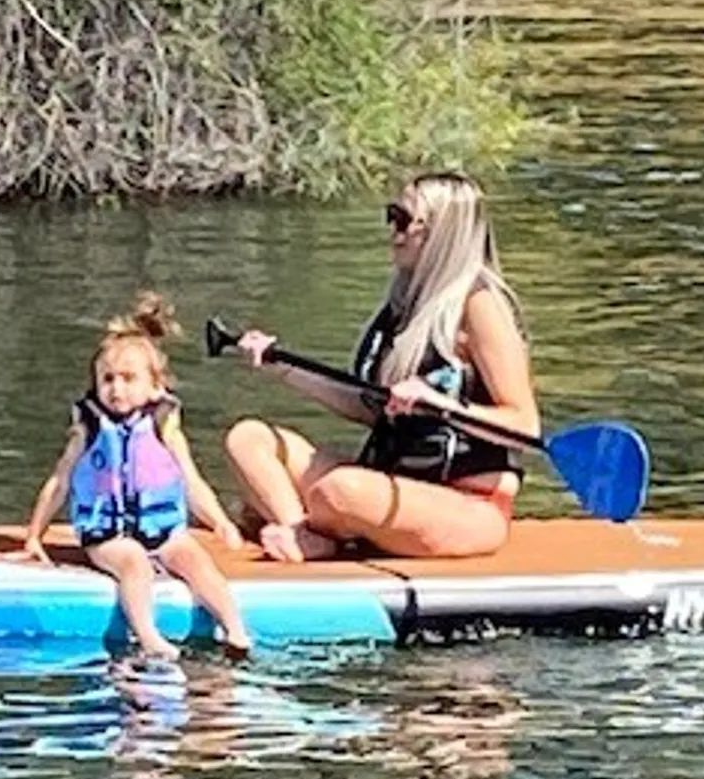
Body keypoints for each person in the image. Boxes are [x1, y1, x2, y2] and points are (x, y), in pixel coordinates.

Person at [224, 171, 539, 562]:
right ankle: (307, 533)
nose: (394, 231)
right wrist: (283, 368)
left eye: (404, 220)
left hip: (468, 503)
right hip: (390, 485)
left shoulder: (480, 305)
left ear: (441, 232)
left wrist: (442, 406)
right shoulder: (404, 305)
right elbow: (370, 408)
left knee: (339, 490)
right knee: (249, 439)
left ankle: (315, 528)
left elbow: (525, 426)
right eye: (392, 216)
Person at [21, 293, 252, 659]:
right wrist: (35, 535)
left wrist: (220, 521)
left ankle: (235, 628)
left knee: (195, 559)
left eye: (128, 379)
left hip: (162, 529)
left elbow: (191, 481)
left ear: (155, 386)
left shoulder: (163, 424)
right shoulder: (90, 426)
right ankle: (148, 636)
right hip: (108, 535)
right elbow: (60, 481)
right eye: (107, 379)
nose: (116, 388)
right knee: (133, 561)